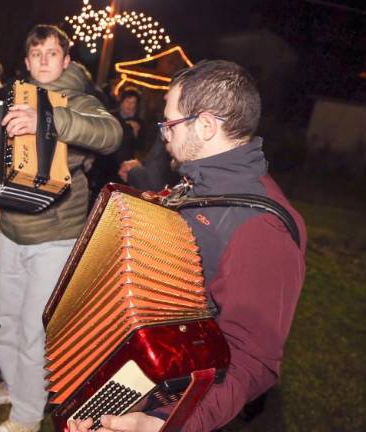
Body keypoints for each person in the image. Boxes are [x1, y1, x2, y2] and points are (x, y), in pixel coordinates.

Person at [69, 60, 307, 432]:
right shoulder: (196, 187)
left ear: (207, 126)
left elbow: (253, 361)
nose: (164, 135)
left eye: (170, 124)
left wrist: (168, 424)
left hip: (177, 407)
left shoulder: (261, 228)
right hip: (144, 375)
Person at [0, 24, 122, 432]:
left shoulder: (80, 99)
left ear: (66, 60)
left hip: (55, 235)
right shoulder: (16, 95)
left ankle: (26, 417)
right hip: (12, 227)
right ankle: (15, 384)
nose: (43, 60)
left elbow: (111, 134)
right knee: (7, 319)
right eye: (36, 53)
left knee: (36, 329)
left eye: (52, 53)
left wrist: (50, 118)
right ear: (26, 61)